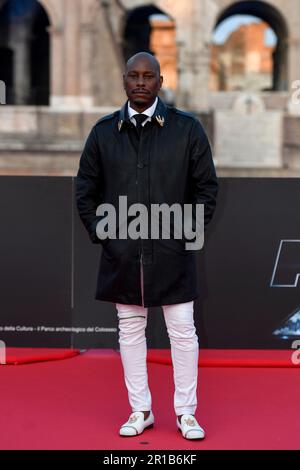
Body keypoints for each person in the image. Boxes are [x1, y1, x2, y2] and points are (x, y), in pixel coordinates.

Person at [76, 52, 218, 440]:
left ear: (160, 80)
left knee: (183, 333)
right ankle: (140, 410)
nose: (140, 82)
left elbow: (206, 189)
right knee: (130, 330)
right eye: (133, 76)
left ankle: (186, 413)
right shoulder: (104, 132)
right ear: (124, 80)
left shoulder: (187, 129)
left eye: (148, 76)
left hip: (173, 254)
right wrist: (106, 236)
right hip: (123, 256)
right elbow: (85, 191)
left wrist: (185, 236)